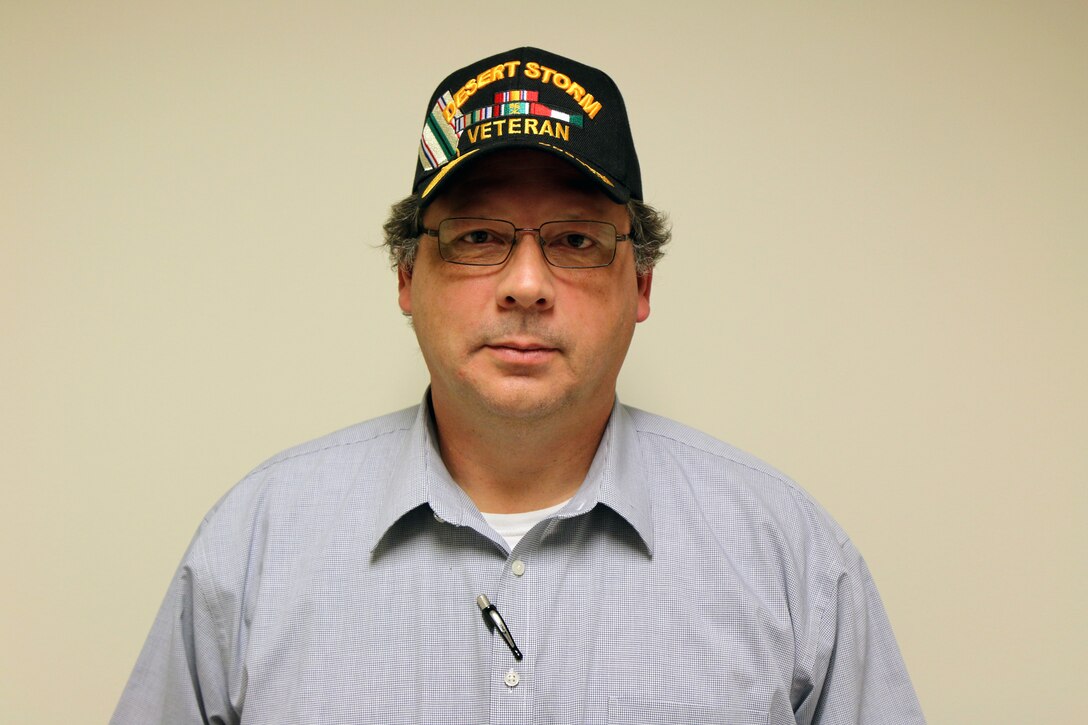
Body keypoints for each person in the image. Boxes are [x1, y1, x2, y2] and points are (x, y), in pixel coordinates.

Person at [112, 47, 924, 724]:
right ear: (406, 276)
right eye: (476, 237)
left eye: (575, 238)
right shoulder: (254, 546)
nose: (527, 284)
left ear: (641, 285)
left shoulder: (788, 557)